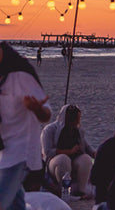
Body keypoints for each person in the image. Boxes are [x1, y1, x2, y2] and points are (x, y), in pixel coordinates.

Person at [0, 41, 52, 210]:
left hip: (21, 152)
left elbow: (47, 115)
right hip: (3, 152)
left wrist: (36, 108)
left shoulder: (22, 75)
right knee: (15, 204)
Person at [41, 104, 95, 198]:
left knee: (86, 159)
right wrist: (69, 151)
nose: (78, 121)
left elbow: (87, 147)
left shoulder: (78, 131)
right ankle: (62, 190)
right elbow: (47, 151)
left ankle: (81, 191)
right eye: (76, 119)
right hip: (55, 163)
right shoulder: (49, 130)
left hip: (74, 161)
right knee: (63, 159)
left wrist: (96, 154)